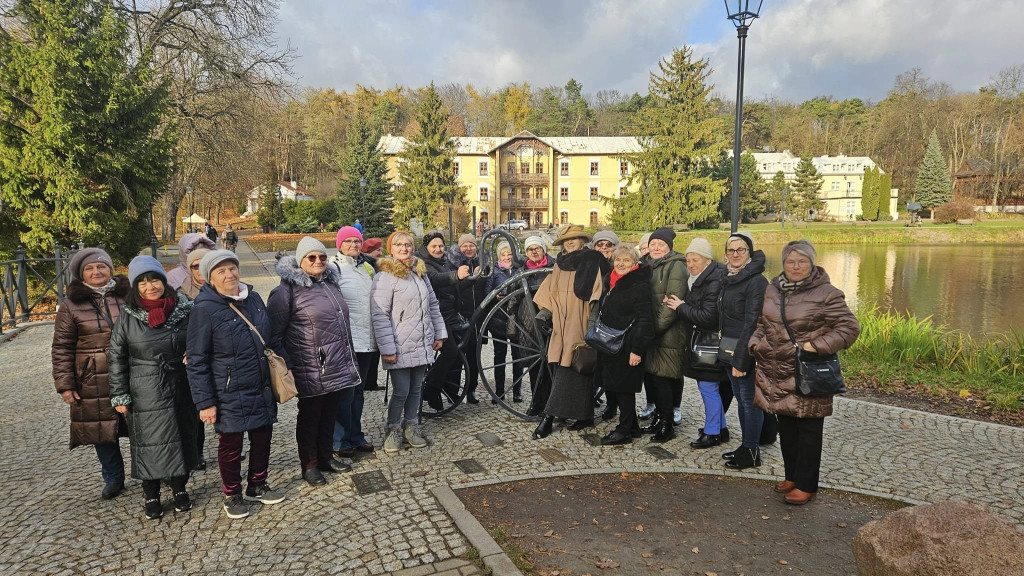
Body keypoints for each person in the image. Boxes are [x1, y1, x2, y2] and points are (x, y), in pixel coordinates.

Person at [750, 240, 860, 504]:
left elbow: (848, 328)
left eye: (802, 261)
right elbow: (762, 322)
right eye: (790, 261)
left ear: (812, 263)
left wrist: (815, 346)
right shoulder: (774, 290)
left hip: (808, 371)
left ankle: (807, 483)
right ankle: (792, 475)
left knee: (809, 430)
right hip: (776, 371)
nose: (796, 266)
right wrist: (755, 342)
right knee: (786, 426)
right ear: (783, 263)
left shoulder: (826, 293)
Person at [187, 250, 287, 519]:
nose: (229, 274)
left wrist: (285, 368)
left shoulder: (253, 298)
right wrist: (205, 402)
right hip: (227, 390)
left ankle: (257, 484)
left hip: (260, 383)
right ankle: (232, 494)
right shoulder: (204, 309)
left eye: (232, 268)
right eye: (221, 271)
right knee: (231, 445)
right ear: (210, 278)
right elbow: (197, 359)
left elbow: (271, 338)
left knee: (262, 437)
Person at [108, 256, 199, 519]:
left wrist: (193, 353)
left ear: (163, 280)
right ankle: (152, 492)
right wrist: (119, 394)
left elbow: (200, 338)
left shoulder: (184, 308)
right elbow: (116, 356)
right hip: (144, 388)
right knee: (148, 443)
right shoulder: (127, 316)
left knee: (182, 436)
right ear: (135, 286)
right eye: (143, 282)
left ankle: (180, 488)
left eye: (155, 279)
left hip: (180, 383)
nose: (150, 286)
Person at [268, 237, 359, 487]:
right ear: (300, 261)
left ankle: (326, 457)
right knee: (310, 416)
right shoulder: (286, 291)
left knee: (330, 413)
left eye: (322, 257)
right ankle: (309, 465)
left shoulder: (330, 283)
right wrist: (288, 364)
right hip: (308, 365)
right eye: (311, 257)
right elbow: (274, 333)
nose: (318, 261)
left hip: (335, 362)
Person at [51, 248, 130, 500]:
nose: (97, 272)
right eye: (90, 268)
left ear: (110, 269)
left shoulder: (127, 296)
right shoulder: (70, 305)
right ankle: (113, 477)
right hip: (92, 377)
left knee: (141, 424)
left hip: (130, 371)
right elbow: (61, 347)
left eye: (101, 267)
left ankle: (150, 471)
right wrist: (65, 385)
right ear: (81, 274)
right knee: (102, 430)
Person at [371, 232, 447, 453]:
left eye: (408, 245)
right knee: (401, 390)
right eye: (399, 245)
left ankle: (411, 426)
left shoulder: (420, 273)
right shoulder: (384, 276)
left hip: (421, 342)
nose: (404, 248)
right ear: (391, 249)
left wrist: (439, 334)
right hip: (399, 344)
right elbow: (380, 315)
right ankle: (393, 428)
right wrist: (387, 349)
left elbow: (433, 305)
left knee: (416, 389)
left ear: (413, 248)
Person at [531, 225, 609, 438]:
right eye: (567, 240)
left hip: (580, 319)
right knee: (565, 364)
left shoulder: (592, 260)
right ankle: (584, 415)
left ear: (582, 241)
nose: (570, 242)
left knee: (574, 364)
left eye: (574, 239)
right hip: (560, 322)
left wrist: (592, 322)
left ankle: (548, 417)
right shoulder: (560, 265)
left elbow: (598, 291)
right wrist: (545, 314)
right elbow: (549, 290)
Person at [664, 238, 728, 448]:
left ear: (707, 260)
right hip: (705, 342)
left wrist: (681, 307)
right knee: (710, 387)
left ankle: (712, 433)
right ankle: (721, 428)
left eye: (695, 260)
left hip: (709, 344)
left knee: (708, 387)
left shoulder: (713, 281)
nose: (690, 264)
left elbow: (709, 317)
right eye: (688, 260)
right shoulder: (703, 277)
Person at [719, 232, 769, 470]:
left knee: (749, 402)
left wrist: (742, 360)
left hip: (745, 351)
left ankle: (751, 451)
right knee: (741, 400)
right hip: (729, 348)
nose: (735, 254)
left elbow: (753, 322)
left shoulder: (756, 281)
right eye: (731, 250)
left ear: (749, 253)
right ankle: (747, 445)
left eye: (741, 250)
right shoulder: (728, 277)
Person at [596, 246, 654, 445]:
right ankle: (633, 427)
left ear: (634, 263)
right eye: (618, 259)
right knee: (619, 386)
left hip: (628, 345)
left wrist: (637, 350)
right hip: (613, 344)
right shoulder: (612, 281)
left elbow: (645, 321)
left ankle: (624, 431)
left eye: (626, 260)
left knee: (624, 389)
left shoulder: (639, 285)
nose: (621, 263)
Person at [329, 226, 378, 456]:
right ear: (340, 245)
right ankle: (340, 440)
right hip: (346, 341)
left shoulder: (367, 267)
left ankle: (356, 436)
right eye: (348, 241)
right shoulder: (333, 268)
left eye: (357, 241)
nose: (353, 245)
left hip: (367, 340)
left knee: (358, 393)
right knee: (345, 394)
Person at [642, 227, 688, 442]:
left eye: (661, 244)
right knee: (652, 377)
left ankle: (667, 424)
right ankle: (659, 419)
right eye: (653, 244)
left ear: (669, 246)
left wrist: (653, 330)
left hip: (668, 332)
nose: (656, 247)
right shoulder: (646, 265)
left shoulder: (676, 266)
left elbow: (672, 302)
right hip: (650, 330)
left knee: (664, 378)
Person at [415, 232, 470, 409]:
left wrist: (473, 278)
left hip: (449, 313)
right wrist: (456, 275)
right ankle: (432, 388)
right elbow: (435, 280)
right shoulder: (421, 263)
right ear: (426, 248)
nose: (438, 249)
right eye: (434, 247)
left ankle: (449, 387)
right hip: (435, 315)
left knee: (462, 348)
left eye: (441, 246)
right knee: (450, 352)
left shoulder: (443, 262)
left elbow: (454, 284)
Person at [518, 235, 555, 416]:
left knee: (551, 365)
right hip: (529, 324)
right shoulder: (521, 271)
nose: (534, 252)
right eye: (530, 249)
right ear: (526, 253)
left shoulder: (554, 267)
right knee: (534, 366)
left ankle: (551, 405)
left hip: (550, 322)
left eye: (537, 248)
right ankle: (535, 403)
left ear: (543, 250)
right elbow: (513, 298)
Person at [483, 242, 524, 403]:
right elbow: (487, 292)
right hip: (498, 320)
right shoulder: (494, 271)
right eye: (503, 254)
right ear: (499, 256)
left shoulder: (519, 269)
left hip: (517, 320)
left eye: (509, 254)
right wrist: (496, 296)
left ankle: (517, 390)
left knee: (517, 357)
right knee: (499, 356)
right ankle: (499, 391)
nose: (507, 257)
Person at [450, 233, 486, 404]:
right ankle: (452, 391)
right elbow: (454, 288)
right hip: (459, 315)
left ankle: (471, 390)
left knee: (473, 357)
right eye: (465, 245)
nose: (468, 248)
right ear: (459, 247)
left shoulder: (483, 263)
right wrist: (472, 278)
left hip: (477, 316)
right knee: (457, 356)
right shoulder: (454, 264)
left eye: (471, 245)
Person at [590, 230, 620, 420]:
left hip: (612, 321)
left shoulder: (618, 266)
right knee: (594, 362)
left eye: (608, 245)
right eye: (599, 245)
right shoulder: (589, 266)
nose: (603, 248)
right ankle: (592, 396)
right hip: (592, 318)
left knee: (612, 366)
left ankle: (612, 404)